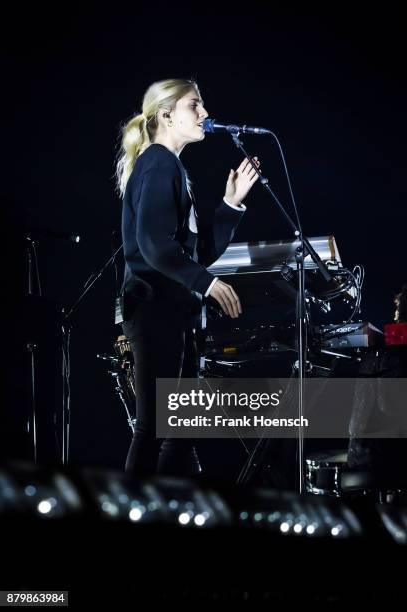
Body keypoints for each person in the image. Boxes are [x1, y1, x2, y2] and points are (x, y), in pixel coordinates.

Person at [115, 78, 260, 478]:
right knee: (154, 428)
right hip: (153, 309)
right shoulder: (159, 161)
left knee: (178, 430)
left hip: (174, 314)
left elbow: (196, 255)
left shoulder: (170, 166)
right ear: (166, 115)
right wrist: (208, 284)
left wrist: (231, 204)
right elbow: (153, 245)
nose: (205, 114)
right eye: (195, 105)